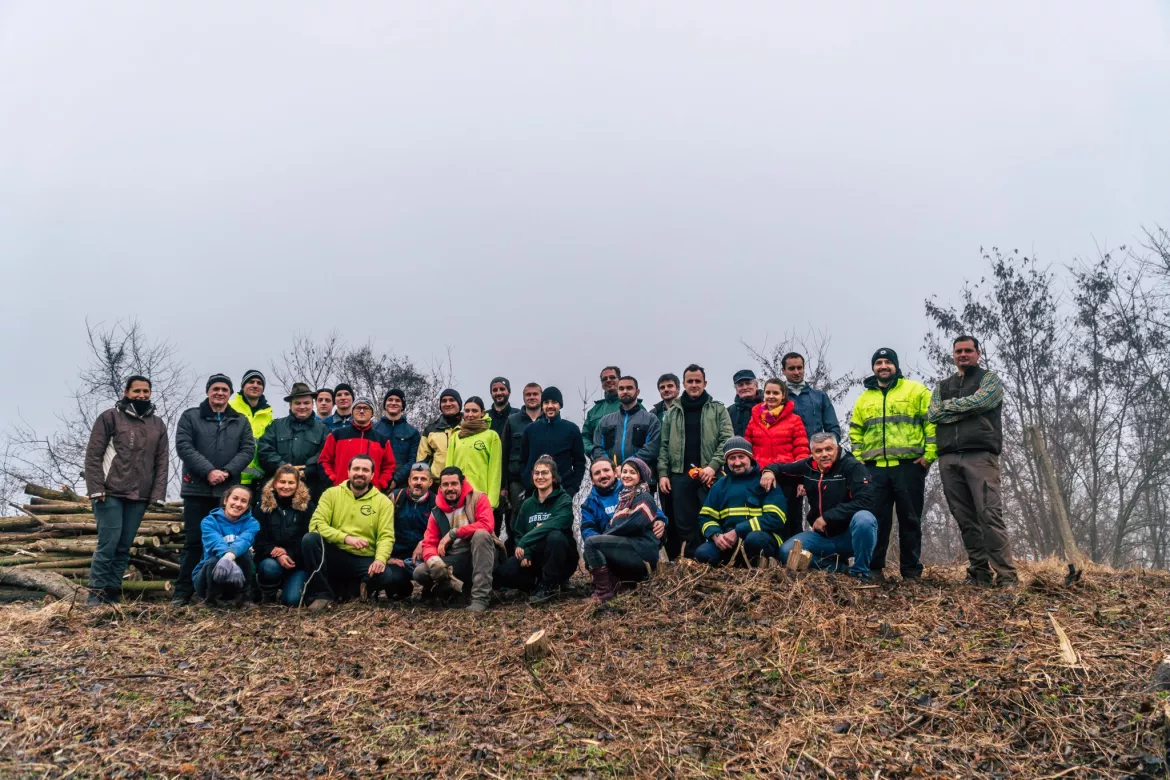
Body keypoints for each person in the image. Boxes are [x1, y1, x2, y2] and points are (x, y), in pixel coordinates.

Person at [927, 335, 1017, 586]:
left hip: (980, 456)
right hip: (949, 458)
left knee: (989, 515)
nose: (963, 355)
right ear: (953, 355)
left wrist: (951, 408)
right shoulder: (942, 385)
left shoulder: (989, 379)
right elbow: (933, 413)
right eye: (959, 351)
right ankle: (980, 572)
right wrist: (966, 408)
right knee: (965, 518)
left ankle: (1007, 576)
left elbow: (984, 400)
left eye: (968, 350)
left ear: (978, 353)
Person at [849, 348, 936, 581]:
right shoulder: (864, 398)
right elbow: (855, 431)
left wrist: (929, 456)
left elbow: (932, 424)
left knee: (910, 518)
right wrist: (858, 461)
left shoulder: (916, 390)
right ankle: (875, 568)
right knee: (877, 519)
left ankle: (910, 571)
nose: (883, 366)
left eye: (888, 362)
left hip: (909, 466)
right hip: (874, 468)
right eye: (878, 362)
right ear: (873, 368)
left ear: (896, 366)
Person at [82, 375, 169, 606]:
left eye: (146, 392)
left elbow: (162, 461)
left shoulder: (157, 424)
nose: (141, 395)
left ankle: (112, 593)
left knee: (123, 546)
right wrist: (96, 488)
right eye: (137, 391)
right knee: (108, 543)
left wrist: (157, 494)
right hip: (110, 493)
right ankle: (95, 595)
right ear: (126, 392)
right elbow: (93, 456)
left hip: (139, 495)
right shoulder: (110, 417)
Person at [172, 374, 255, 605]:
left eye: (225, 390)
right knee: (193, 542)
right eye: (216, 389)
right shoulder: (190, 417)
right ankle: (182, 592)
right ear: (208, 391)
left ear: (230, 394)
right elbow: (184, 446)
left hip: (227, 493)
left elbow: (248, 449)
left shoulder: (240, 421)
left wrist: (227, 471)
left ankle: (231, 592)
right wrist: (209, 471)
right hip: (196, 489)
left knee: (230, 541)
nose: (220, 393)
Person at [765, 432, 879, 580]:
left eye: (828, 449)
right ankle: (838, 569)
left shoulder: (853, 466)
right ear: (812, 453)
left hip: (850, 537)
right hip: (823, 538)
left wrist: (827, 517)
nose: (824, 454)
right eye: (818, 451)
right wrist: (768, 472)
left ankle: (860, 572)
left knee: (865, 518)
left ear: (837, 448)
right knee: (787, 552)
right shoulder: (807, 467)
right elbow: (781, 467)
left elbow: (867, 501)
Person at [301, 454, 404, 610]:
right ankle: (322, 595)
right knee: (310, 539)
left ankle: (352, 591)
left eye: (365, 470)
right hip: (335, 553)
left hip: (363, 558)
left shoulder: (383, 502)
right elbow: (316, 525)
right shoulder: (331, 494)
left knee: (386, 575)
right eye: (356, 469)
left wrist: (380, 559)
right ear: (348, 472)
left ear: (372, 475)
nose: (360, 473)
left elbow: (386, 536)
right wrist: (345, 538)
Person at [657, 364, 733, 559]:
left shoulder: (718, 409)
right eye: (689, 381)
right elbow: (664, 445)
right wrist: (663, 473)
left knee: (710, 517)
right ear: (683, 384)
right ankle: (690, 561)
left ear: (705, 383)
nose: (694, 384)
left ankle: (711, 559)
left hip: (709, 475)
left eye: (697, 381)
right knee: (683, 522)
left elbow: (727, 440)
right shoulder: (672, 412)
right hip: (679, 474)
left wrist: (713, 466)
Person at [413, 466, 502, 613]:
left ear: (462, 483)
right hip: (456, 559)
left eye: (454, 484)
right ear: (440, 487)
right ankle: (457, 590)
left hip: (483, 555)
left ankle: (481, 597)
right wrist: (435, 562)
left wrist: (454, 533)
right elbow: (429, 542)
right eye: (445, 485)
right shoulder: (436, 512)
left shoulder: (478, 498)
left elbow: (487, 525)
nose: (450, 488)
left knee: (481, 534)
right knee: (420, 572)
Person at [496, 456, 578, 604]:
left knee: (555, 536)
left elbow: (555, 524)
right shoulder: (527, 504)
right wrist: (525, 551)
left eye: (545, 473)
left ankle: (549, 586)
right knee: (503, 573)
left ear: (553, 477)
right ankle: (536, 584)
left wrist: (526, 541)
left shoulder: (563, 500)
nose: (540, 477)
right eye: (537, 473)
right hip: (534, 558)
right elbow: (518, 533)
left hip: (561, 557)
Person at [582, 457, 665, 603]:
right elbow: (588, 530)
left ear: (615, 473)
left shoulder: (634, 491)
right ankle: (618, 583)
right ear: (592, 479)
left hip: (638, 547)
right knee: (590, 549)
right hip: (616, 544)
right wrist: (602, 542)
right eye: (597, 473)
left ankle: (604, 592)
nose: (602, 475)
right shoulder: (592, 503)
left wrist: (661, 520)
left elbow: (642, 518)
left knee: (592, 544)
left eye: (606, 470)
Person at [694, 438, 787, 566]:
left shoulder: (765, 480)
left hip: (762, 539)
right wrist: (716, 536)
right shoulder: (719, 486)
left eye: (741, 457)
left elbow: (776, 518)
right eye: (732, 458)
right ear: (726, 461)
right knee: (703, 554)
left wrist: (738, 531)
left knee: (754, 540)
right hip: (728, 542)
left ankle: (761, 570)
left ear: (750, 457)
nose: (737, 462)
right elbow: (705, 517)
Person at [743, 377, 810, 539]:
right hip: (761, 479)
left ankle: (791, 556)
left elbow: (802, 451)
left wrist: (802, 480)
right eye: (768, 392)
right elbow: (747, 449)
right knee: (764, 518)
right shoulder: (754, 420)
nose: (771, 396)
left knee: (791, 519)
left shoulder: (795, 420)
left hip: (788, 478)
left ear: (783, 395)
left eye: (775, 393)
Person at [253, 465, 314, 606]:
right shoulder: (262, 506)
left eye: (291, 482)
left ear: (298, 485)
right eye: (282, 482)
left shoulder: (307, 506)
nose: (286, 486)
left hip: (297, 562)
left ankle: (291, 586)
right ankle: (269, 593)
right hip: (271, 559)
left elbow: (308, 536)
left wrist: (288, 552)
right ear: (275, 483)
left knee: (292, 601)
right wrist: (275, 552)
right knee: (269, 567)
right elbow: (258, 537)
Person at [257, 382, 329, 497]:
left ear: (312, 404)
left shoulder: (323, 430)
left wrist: (305, 472)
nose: (302, 407)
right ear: (290, 405)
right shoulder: (276, 426)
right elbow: (264, 450)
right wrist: (285, 468)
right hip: (278, 490)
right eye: (297, 403)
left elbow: (325, 454)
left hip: (311, 490)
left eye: (306, 403)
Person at [192, 484, 260, 606]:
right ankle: (210, 599)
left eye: (244, 501)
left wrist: (230, 557)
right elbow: (216, 543)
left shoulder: (252, 523)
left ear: (248, 506)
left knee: (245, 554)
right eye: (235, 498)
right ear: (225, 500)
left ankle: (243, 598)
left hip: (238, 579)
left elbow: (245, 541)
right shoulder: (209, 521)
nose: (238, 504)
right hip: (207, 578)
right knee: (214, 560)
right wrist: (229, 559)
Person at [520, 387, 587, 497]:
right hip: (535, 492)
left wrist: (573, 488)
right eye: (546, 402)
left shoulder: (571, 429)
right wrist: (528, 483)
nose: (550, 406)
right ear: (542, 405)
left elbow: (579, 462)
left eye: (554, 402)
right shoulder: (530, 429)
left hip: (563, 492)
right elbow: (523, 461)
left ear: (560, 405)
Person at [318, 397, 397, 490]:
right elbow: (324, 461)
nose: (362, 411)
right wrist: (332, 480)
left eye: (366, 408)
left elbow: (389, 466)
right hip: (340, 491)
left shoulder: (382, 440)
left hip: (371, 494)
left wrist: (381, 484)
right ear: (352, 412)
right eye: (358, 408)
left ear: (372, 413)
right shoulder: (337, 435)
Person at [501, 382, 542, 543]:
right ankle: (514, 555)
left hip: (542, 479)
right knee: (515, 519)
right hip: (516, 480)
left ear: (541, 396)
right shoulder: (512, 421)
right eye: (528, 394)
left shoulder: (547, 419)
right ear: (524, 397)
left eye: (535, 394)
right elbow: (504, 453)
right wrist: (503, 486)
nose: (531, 397)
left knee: (540, 518)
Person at [591, 375, 661, 468]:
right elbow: (598, 448)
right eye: (621, 388)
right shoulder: (605, 421)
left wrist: (628, 465)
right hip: (612, 477)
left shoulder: (650, 419)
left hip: (641, 476)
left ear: (637, 391)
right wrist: (610, 467)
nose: (625, 391)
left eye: (629, 388)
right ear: (617, 391)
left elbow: (652, 448)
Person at [446, 396, 504, 508]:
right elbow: (448, 468)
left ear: (482, 413)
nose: (470, 414)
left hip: (481, 497)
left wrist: (491, 503)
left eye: (474, 411)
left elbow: (495, 471)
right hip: (458, 497)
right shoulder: (456, 436)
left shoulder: (491, 436)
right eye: (467, 411)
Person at [388, 463, 437, 577]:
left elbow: (440, 532)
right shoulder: (396, 497)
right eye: (415, 478)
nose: (418, 482)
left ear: (430, 483)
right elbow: (382, 528)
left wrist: (423, 543)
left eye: (423, 479)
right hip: (397, 556)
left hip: (422, 556)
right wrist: (387, 557)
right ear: (409, 481)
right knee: (394, 582)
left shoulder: (436, 502)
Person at [228, 369, 275, 488]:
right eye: (251, 382)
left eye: (259, 383)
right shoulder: (228, 408)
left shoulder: (268, 416)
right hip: (230, 477)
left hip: (257, 481)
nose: (255, 385)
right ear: (243, 386)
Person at [782, 352, 841, 442]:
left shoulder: (820, 396)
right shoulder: (775, 398)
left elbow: (833, 429)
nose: (796, 372)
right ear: (783, 371)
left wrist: (827, 447)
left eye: (799, 368)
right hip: (787, 453)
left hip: (815, 453)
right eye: (791, 368)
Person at [372, 388, 421, 491]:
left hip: (402, 486)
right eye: (390, 400)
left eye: (397, 400)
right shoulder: (373, 429)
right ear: (385, 404)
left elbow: (413, 460)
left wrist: (395, 480)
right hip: (375, 482)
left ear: (402, 406)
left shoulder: (412, 432)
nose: (393, 403)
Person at [417, 389, 462, 479]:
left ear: (459, 404)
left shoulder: (469, 427)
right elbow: (422, 462)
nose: (448, 404)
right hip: (437, 484)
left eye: (452, 400)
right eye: (444, 401)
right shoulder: (430, 430)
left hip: (465, 482)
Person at [581, 366, 622, 455]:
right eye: (604, 379)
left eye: (612, 377)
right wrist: (593, 451)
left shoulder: (635, 406)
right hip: (601, 464)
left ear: (620, 380)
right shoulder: (593, 412)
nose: (608, 380)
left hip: (629, 464)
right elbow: (585, 437)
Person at [728, 369, 762, 437]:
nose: (745, 387)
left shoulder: (768, 406)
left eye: (748, 383)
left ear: (756, 385)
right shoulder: (729, 412)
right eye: (740, 385)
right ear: (736, 389)